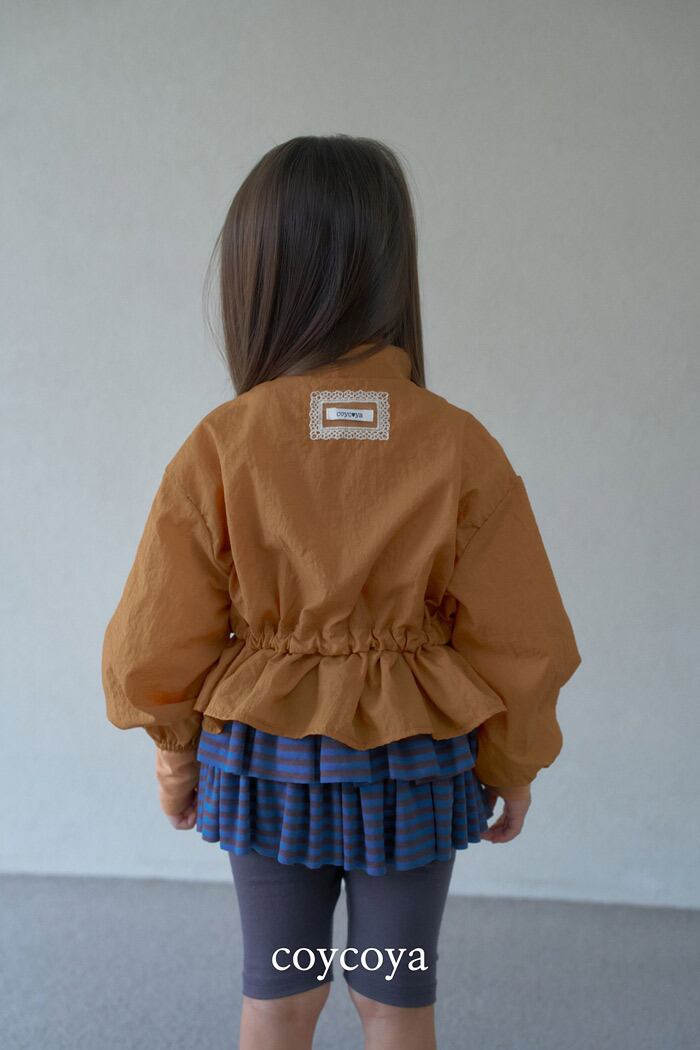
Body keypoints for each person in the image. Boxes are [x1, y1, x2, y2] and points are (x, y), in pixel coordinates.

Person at [101, 134, 582, 1050]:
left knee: (279, 996)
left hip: (264, 763)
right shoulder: (459, 443)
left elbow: (153, 639)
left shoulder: (223, 443)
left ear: (257, 278)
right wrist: (513, 764)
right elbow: (523, 635)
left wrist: (175, 758)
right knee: (396, 998)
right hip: (414, 764)